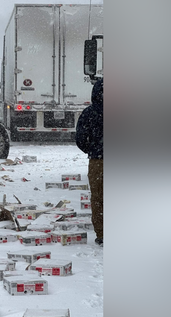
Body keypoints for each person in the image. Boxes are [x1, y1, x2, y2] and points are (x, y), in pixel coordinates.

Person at [75, 78, 103, 246]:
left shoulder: (89, 112)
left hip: (97, 161)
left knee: (98, 198)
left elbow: (79, 138)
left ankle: (102, 233)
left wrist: (92, 150)